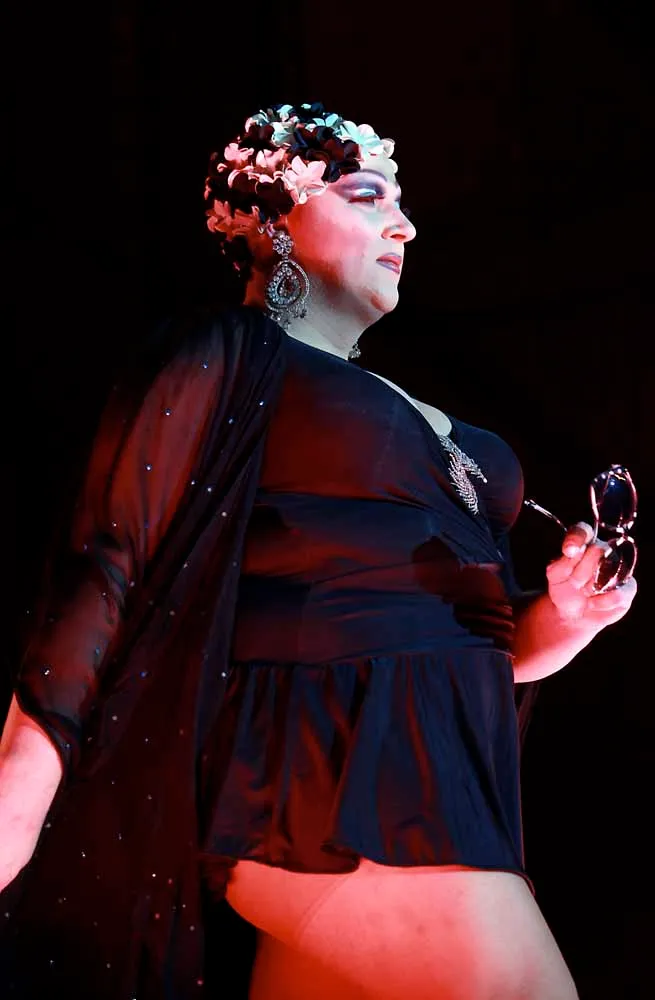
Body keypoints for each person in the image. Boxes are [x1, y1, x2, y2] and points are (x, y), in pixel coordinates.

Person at [1, 102, 636, 999]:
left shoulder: (412, 407)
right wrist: (22, 779)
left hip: (438, 779)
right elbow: (111, 561)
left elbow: (482, 645)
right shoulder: (228, 353)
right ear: (270, 222)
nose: (403, 226)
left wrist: (564, 618)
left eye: (401, 205)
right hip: (319, 773)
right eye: (368, 196)